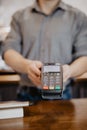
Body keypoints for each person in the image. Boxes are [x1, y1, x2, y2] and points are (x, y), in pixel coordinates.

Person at [2, 0, 87, 101]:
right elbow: (8, 52)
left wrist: (70, 71)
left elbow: (85, 56)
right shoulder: (19, 17)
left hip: (63, 94)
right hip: (27, 94)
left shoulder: (78, 17)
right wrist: (27, 66)